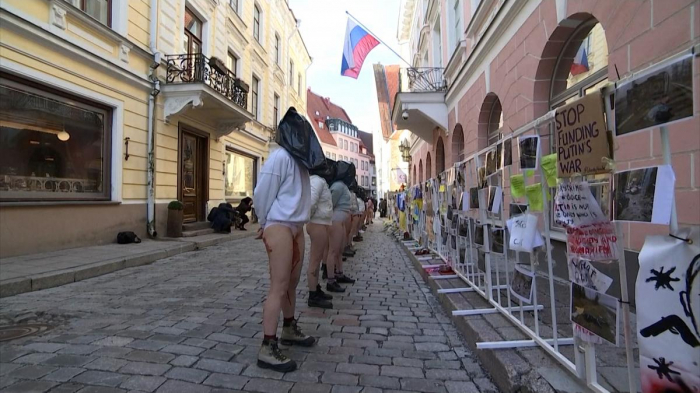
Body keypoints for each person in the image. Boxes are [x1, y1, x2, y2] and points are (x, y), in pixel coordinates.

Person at [253, 107, 324, 372]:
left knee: (291, 284)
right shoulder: (280, 157)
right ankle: (267, 346)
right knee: (279, 285)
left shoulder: (301, 161)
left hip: (296, 226)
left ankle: (289, 328)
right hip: (280, 225)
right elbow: (262, 194)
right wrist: (263, 223)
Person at [306, 161, 335, 309]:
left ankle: (315, 287)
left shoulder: (318, 180)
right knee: (315, 260)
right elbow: (311, 202)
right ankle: (312, 294)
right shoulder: (316, 181)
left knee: (316, 259)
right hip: (317, 223)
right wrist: (308, 218)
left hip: (320, 222)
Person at [326, 161, 357, 290]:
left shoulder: (341, 185)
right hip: (336, 220)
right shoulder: (338, 186)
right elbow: (330, 204)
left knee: (339, 250)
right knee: (333, 251)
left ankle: (339, 273)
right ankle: (331, 280)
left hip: (341, 220)